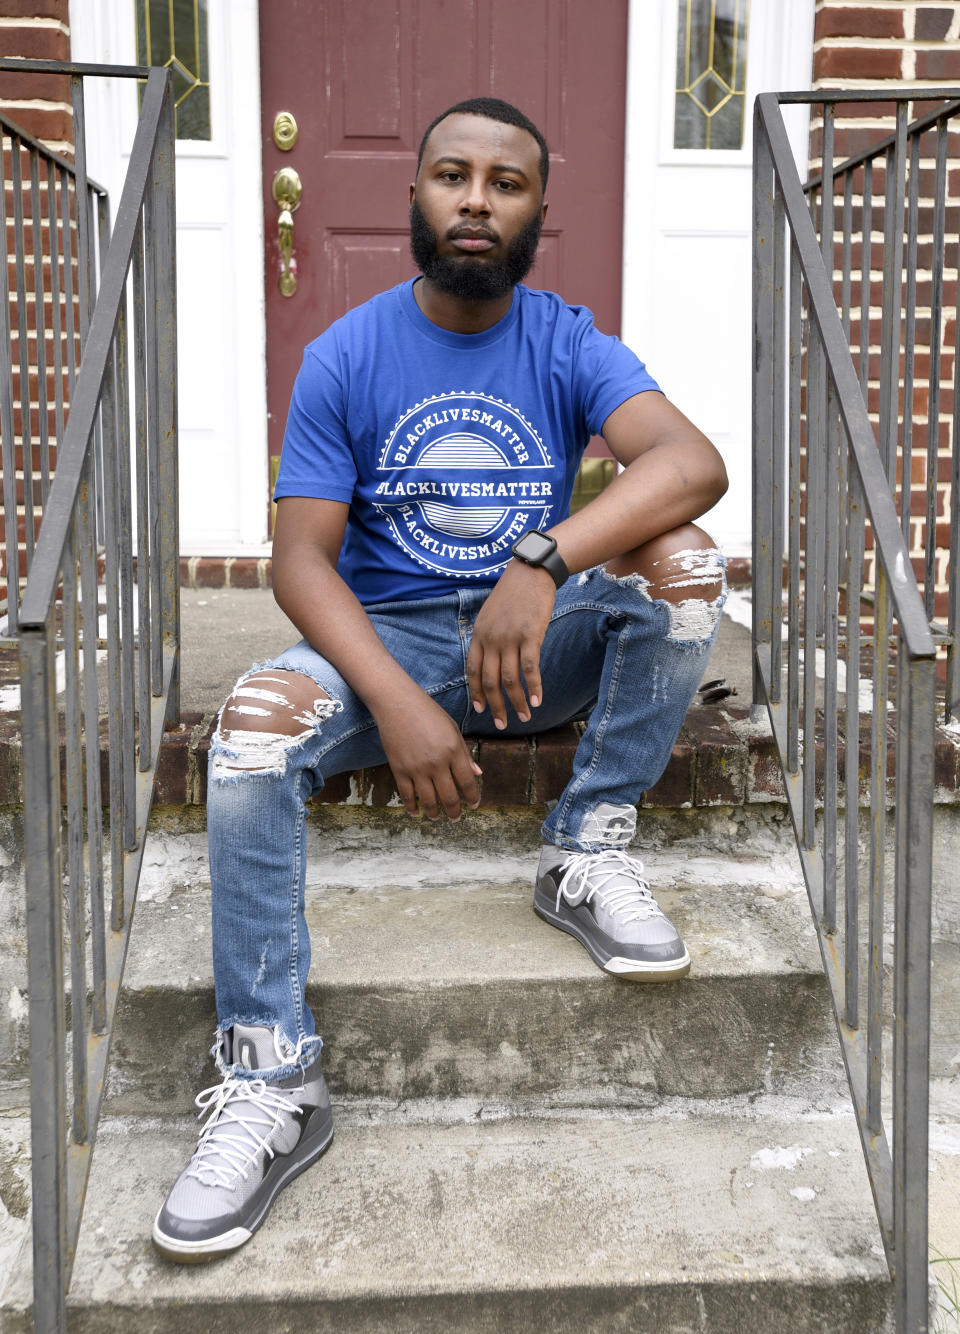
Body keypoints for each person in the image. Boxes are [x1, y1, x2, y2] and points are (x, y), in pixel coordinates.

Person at [152, 97, 728, 1263]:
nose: (476, 199)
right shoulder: (348, 353)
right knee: (255, 731)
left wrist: (544, 555)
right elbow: (299, 558)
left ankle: (587, 847)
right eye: (451, 176)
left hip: (539, 645)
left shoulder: (567, 339)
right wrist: (404, 699)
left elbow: (691, 462)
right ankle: (272, 1077)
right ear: (413, 196)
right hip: (394, 647)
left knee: (687, 565)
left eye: (504, 182)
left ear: (537, 212)